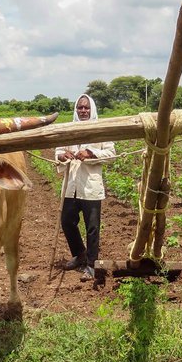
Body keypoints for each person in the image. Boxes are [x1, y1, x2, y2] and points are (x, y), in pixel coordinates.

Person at [55, 94, 116, 282]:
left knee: (92, 228)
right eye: (80, 108)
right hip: (71, 185)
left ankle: (91, 264)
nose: (83, 111)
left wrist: (90, 153)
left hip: (90, 187)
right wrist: (62, 156)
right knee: (66, 222)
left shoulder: (101, 130)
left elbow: (111, 154)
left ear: (92, 110)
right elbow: (57, 151)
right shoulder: (69, 130)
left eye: (86, 108)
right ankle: (80, 254)